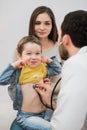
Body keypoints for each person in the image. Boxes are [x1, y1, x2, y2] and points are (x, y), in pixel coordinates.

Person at [33, 10, 87, 130]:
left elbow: (65, 126)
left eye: (59, 35)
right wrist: (51, 102)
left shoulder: (75, 64)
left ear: (66, 39)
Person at [10, 6, 62, 130]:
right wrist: (23, 104)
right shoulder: (21, 49)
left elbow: (65, 81)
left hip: (53, 108)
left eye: (47, 23)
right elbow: (13, 83)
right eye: (37, 23)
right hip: (27, 112)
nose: (42, 28)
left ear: (52, 25)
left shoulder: (60, 49)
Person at [0, 35, 61, 130]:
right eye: (28, 53)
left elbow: (58, 70)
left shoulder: (43, 68)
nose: (33, 57)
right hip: (26, 116)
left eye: (37, 53)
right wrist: (13, 65)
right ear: (20, 56)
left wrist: (49, 60)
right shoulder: (19, 72)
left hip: (45, 114)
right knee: (49, 128)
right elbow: (1, 80)